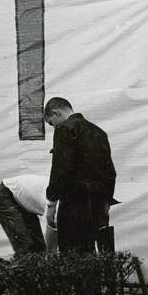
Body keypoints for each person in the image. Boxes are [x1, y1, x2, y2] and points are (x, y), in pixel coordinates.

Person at [44, 97, 117, 253]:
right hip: (98, 202)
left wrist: (51, 204)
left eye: (51, 123)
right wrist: (106, 203)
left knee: (73, 255)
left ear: (55, 113)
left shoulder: (65, 128)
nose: (53, 127)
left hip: (74, 202)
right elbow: (110, 172)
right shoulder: (99, 132)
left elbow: (60, 169)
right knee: (96, 254)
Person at [0, 174, 57, 255]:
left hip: (23, 197)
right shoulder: (57, 207)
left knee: (38, 248)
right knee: (27, 247)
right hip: (6, 195)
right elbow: (52, 249)